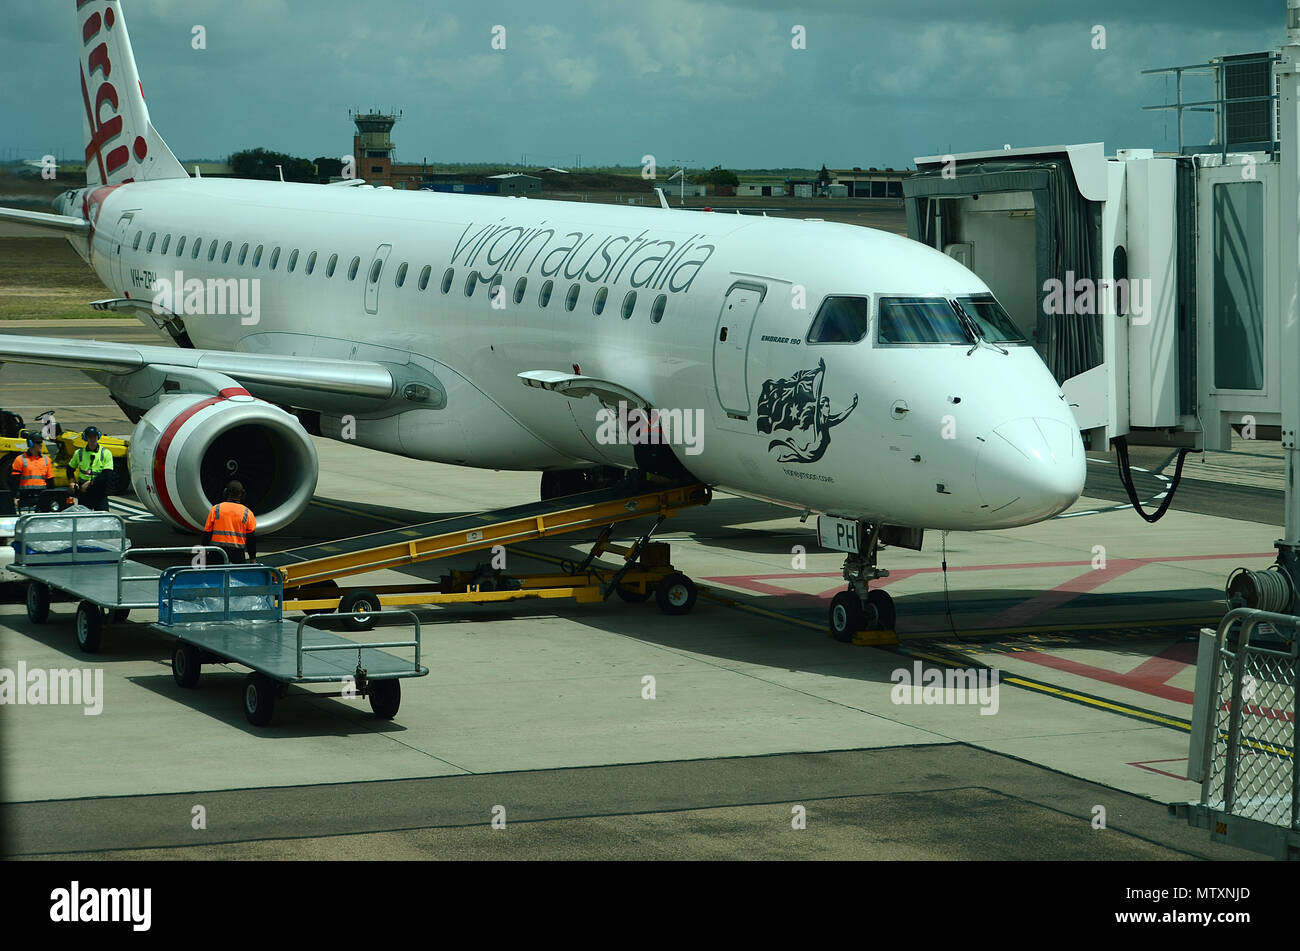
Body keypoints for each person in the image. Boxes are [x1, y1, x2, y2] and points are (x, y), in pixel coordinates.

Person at [204, 480, 257, 564]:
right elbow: (251, 540)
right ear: (242, 494)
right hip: (237, 555)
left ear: (225, 492)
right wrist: (252, 558)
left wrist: (205, 553)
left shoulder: (216, 509)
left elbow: (207, 534)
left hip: (217, 553)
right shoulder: (247, 513)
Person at [68, 426, 115, 511]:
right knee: (83, 519)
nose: (92, 439)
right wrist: (72, 482)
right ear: (86, 438)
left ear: (98, 437)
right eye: (90, 436)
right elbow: (70, 468)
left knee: (102, 518)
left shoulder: (106, 453)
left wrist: (90, 483)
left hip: (99, 491)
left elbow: (107, 474)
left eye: (94, 436)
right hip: (84, 492)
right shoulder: (79, 453)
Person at [10, 434, 54, 511]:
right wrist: (14, 497)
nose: (41, 445)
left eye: (41, 442)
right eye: (38, 442)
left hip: (42, 495)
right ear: (30, 444)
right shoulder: (20, 459)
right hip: (25, 496)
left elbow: (50, 481)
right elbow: (14, 481)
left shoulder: (47, 460)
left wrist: (52, 497)